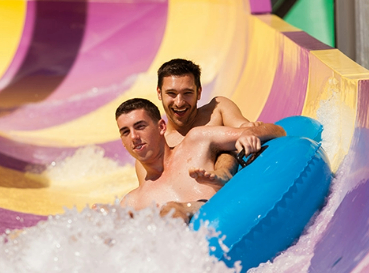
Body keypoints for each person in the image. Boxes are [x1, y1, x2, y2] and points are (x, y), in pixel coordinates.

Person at [116, 98, 285, 222]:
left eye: (140, 127)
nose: (134, 137)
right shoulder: (131, 203)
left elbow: (277, 131)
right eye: (125, 132)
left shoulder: (197, 141)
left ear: (161, 127)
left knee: (171, 210)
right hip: (188, 261)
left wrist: (250, 134)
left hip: (229, 216)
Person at [134, 58, 260, 190]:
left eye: (187, 93)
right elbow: (150, 194)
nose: (179, 102)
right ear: (159, 93)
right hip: (195, 202)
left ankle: (222, 174)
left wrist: (250, 130)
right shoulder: (156, 145)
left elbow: (246, 128)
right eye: (171, 94)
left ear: (199, 92)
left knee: (222, 145)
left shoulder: (218, 110)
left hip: (230, 182)